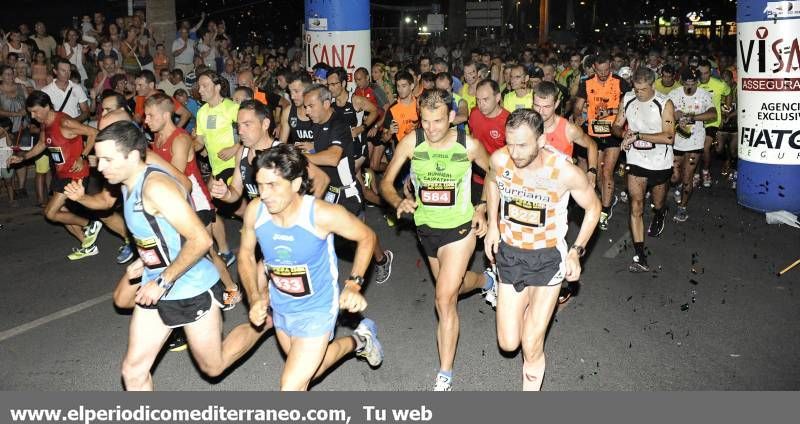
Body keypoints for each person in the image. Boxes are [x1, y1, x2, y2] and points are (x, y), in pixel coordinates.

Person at [88, 121, 268, 390]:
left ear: (134, 156)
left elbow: (201, 239)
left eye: (108, 159)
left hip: (189, 287)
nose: (100, 167)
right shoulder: (126, 183)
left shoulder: (156, 187)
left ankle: (267, 323)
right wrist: (149, 257)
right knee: (133, 370)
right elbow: (159, 221)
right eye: (99, 158)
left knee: (213, 366)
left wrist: (162, 280)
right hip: (157, 281)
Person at [239, 143, 383, 390]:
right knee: (311, 372)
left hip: (317, 309)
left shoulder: (321, 214)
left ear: (295, 184)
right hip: (282, 306)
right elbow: (245, 256)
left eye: (272, 185)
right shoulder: (256, 211)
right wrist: (254, 297)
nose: (264, 194)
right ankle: (360, 341)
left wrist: (354, 284)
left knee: (291, 386)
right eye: (260, 185)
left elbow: (367, 237)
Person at [379, 88, 495, 391]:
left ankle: (445, 373)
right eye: (426, 121)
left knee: (444, 299)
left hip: (460, 230)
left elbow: (495, 171)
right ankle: (486, 282)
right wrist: (397, 202)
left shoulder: (467, 145)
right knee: (453, 287)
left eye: (438, 121)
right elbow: (385, 183)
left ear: (452, 117)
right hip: (426, 231)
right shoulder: (412, 142)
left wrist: (481, 207)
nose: (431, 129)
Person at [484, 108, 600, 390]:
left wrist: (576, 250)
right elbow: (492, 182)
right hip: (511, 254)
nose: (515, 151)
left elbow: (593, 208)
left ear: (541, 140)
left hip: (548, 258)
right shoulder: (501, 159)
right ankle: (530, 308)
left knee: (531, 344)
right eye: (510, 143)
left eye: (522, 145)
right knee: (509, 342)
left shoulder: (564, 171)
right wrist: (492, 225)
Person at [144, 93, 241, 308]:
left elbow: (176, 177)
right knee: (182, 252)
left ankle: (232, 289)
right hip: (175, 202)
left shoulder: (180, 139)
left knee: (205, 250)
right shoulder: (157, 139)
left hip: (195, 200)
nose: (146, 120)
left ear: (166, 115)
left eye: (151, 115)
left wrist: (151, 160)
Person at [302, 84, 394, 285]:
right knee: (319, 233)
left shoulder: (339, 124)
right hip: (328, 191)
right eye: (305, 107)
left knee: (361, 235)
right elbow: (321, 148)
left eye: (310, 106)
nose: (306, 111)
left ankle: (382, 259)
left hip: (347, 193)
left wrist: (304, 158)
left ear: (326, 104)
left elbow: (334, 157)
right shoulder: (317, 122)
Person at [7, 91, 103, 259]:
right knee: (62, 211)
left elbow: (94, 133)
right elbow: (42, 144)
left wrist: (82, 156)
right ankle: (87, 245)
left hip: (75, 173)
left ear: (47, 106)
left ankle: (90, 224)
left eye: (35, 111)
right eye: (30, 112)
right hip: (60, 173)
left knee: (50, 213)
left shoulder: (64, 122)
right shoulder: (45, 122)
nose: (33, 115)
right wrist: (22, 157)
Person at [612, 68, 675, 272]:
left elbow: (669, 137)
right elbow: (616, 125)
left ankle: (659, 213)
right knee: (636, 204)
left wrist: (638, 135)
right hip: (636, 159)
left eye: (643, 89)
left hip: (659, 161)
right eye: (636, 88)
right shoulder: (628, 98)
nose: (639, 93)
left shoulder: (664, 103)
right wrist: (623, 134)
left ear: (653, 85)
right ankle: (639, 255)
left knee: (657, 203)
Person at [573, 55, 630, 231]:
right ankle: (603, 198)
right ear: (594, 68)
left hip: (613, 132)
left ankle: (605, 210)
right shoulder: (587, 82)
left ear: (611, 66)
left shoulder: (620, 82)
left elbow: (628, 103)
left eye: (607, 70)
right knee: (597, 174)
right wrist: (578, 116)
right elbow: (578, 105)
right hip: (594, 133)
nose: (604, 74)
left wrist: (612, 111)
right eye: (600, 71)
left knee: (607, 172)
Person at [668, 70, 715, 222]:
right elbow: (667, 113)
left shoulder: (703, 95)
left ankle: (682, 207)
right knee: (675, 177)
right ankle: (677, 187)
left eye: (693, 83)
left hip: (695, 141)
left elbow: (713, 114)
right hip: (677, 141)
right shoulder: (674, 94)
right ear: (681, 81)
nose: (690, 86)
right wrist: (677, 115)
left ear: (697, 81)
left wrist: (692, 117)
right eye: (686, 83)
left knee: (688, 177)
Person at [469, 79, 510, 205]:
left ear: (497, 97)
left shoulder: (508, 121)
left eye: (485, 99)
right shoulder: (474, 114)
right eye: (478, 100)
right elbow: (472, 138)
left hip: (499, 180)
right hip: (476, 178)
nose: (481, 104)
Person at [696, 60, 732, 188]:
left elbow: (728, 93)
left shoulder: (719, 84)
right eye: (701, 73)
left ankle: (705, 172)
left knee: (705, 147)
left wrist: (726, 111)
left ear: (710, 72)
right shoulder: (695, 84)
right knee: (695, 149)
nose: (704, 76)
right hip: (697, 121)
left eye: (706, 73)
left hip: (712, 121)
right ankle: (695, 174)